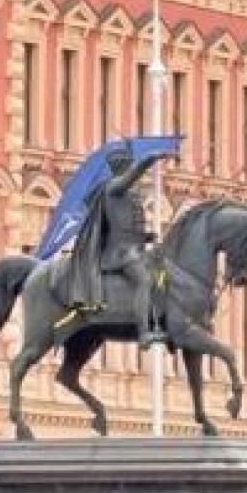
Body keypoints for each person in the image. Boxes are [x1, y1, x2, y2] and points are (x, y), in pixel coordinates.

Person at [57, 139, 167, 346]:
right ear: (121, 167)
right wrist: (150, 159)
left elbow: (126, 226)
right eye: (127, 165)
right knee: (144, 280)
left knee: (164, 273)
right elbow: (131, 178)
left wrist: (146, 237)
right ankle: (143, 332)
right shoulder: (113, 188)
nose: (129, 169)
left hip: (134, 249)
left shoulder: (129, 194)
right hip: (120, 253)